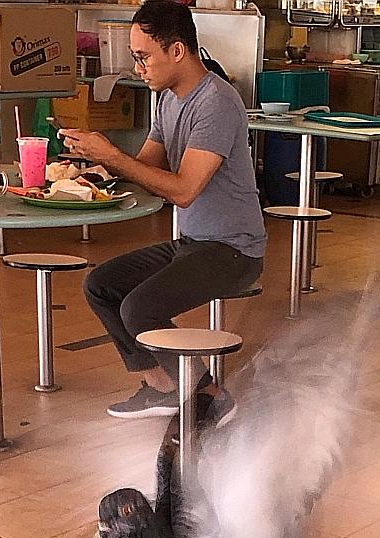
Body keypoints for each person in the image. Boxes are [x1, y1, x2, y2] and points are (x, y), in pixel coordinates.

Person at [58, 0, 265, 421]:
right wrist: (88, 171)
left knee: (139, 308)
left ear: (176, 51)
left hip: (234, 251)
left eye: (143, 57)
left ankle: (209, 395)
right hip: (194, 243)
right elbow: (146, 165)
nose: (139, 68)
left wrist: (113, 156)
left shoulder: (217, 103)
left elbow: (185, 190)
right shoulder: (167, 100)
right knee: (102, 285)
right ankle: (163, 387)